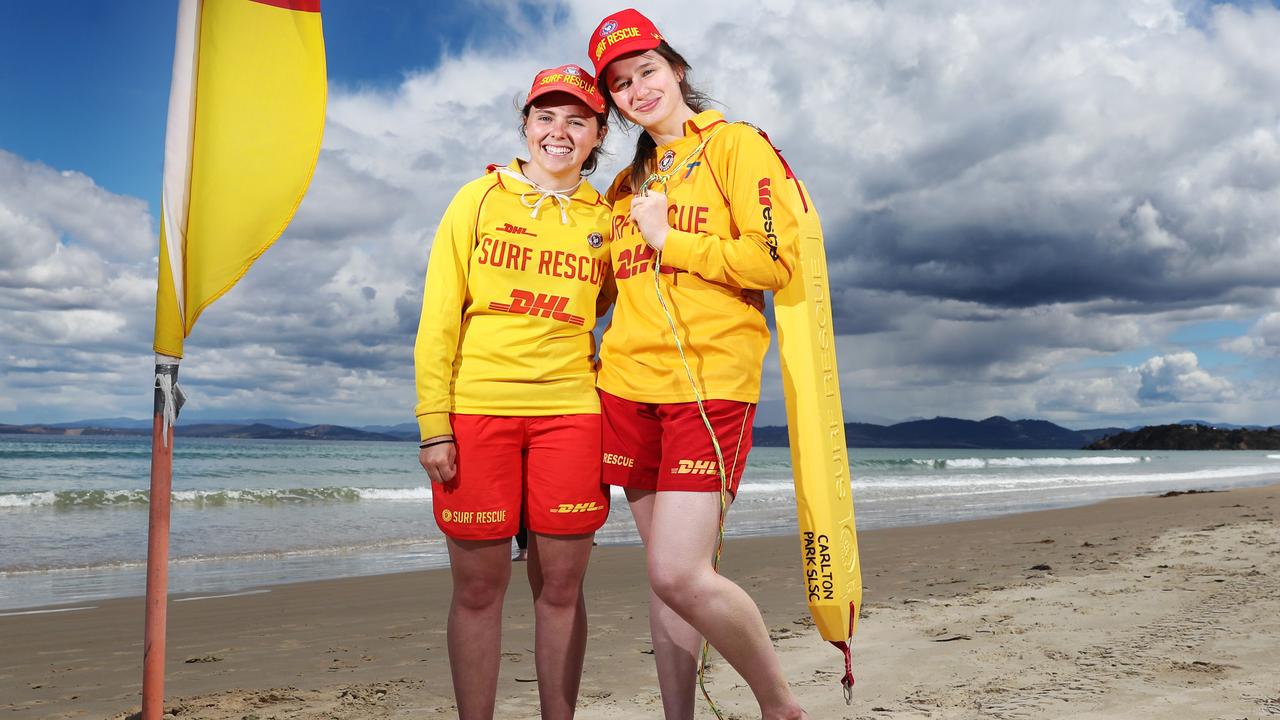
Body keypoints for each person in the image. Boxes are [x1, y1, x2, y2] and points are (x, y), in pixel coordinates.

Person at [586, 9, 810, 720]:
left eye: (646, 70)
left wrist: (673, 238)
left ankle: (780, 708)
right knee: (666, 583)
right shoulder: (624, 185)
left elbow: (777, 260)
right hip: (625, 391)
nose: (637, 89)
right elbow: (601, 295)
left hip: (708, 387)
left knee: (680, 572)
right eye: (620, 83)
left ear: (675, 69)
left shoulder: (737, 147)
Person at [414, 64, 613, 720]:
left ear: (597, 133)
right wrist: (434, 423)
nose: (559, 131)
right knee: (478, 589)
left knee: (561, 587)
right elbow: (439, 315)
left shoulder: (607, 219)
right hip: (478, 412)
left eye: (576, 120)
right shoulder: (476, 198)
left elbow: (614, 307)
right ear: (525, 126)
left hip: (571, 414)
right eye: (545, 117)